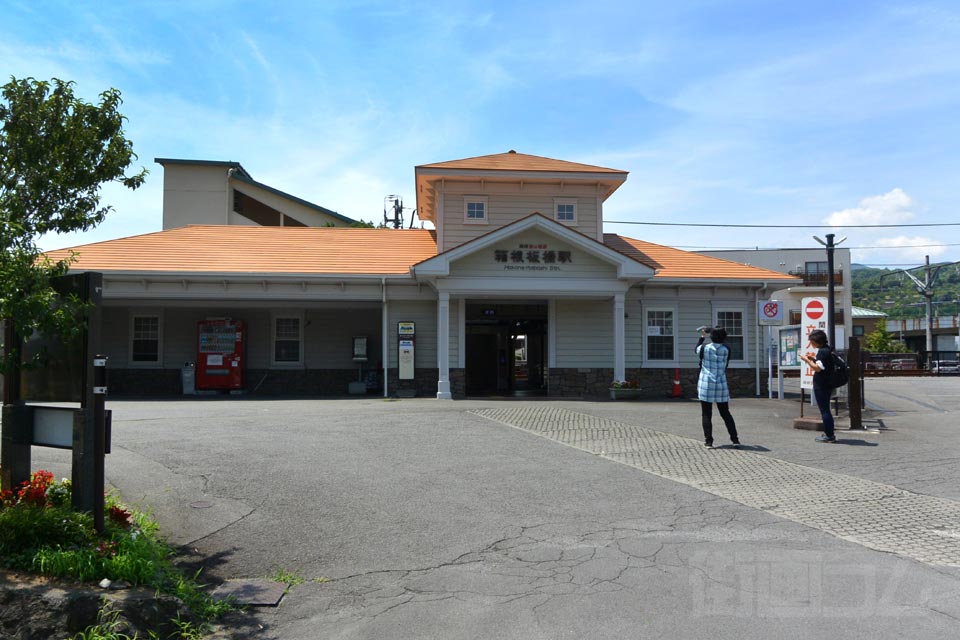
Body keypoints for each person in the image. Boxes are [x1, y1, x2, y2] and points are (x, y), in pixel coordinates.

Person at [696, 327, 740, 449]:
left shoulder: (704, 348)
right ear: (724, 337)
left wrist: (702, 337)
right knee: (725, 413)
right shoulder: (726, 350)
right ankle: (735, 439)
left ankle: (709, 441)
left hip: (706, 383)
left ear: (711, 336)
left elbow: (696, 349)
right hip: (721, 383)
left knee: (706, 414)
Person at [799, 329, 836, 443]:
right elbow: (823, 365)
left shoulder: (822, 352)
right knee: (826, 409)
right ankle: (829, 433)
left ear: (817, 341)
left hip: (821, 384)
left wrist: (806, 360)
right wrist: (813, 359)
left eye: (812, 341)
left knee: (824, 410)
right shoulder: (828, 350)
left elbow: (817, 368)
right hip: (828, 383)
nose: (811, 344)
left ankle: (829, 435)